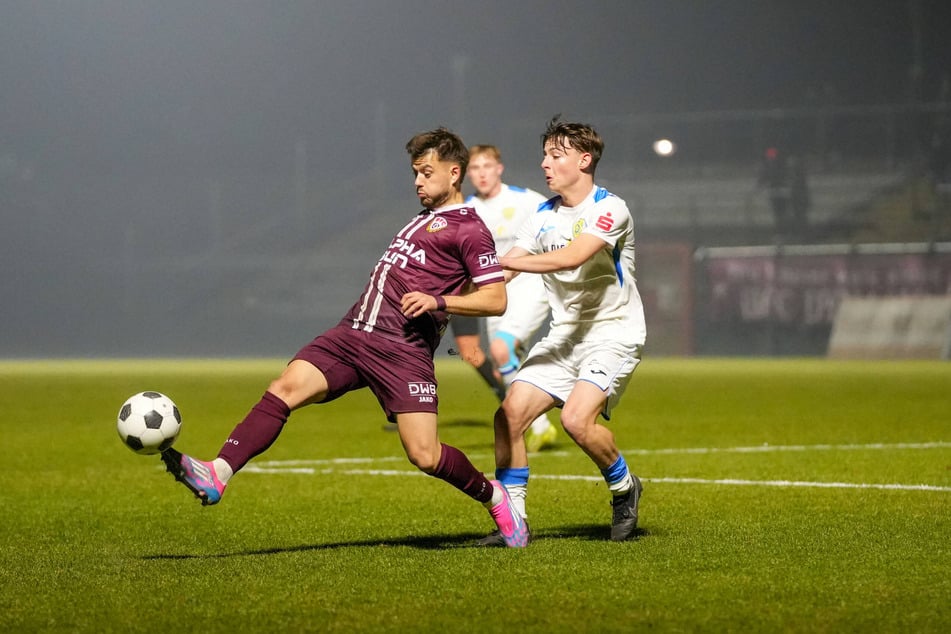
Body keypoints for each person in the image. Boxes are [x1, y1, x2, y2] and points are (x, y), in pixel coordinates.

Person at [161, 127, 529, 548]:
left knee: (425, 455)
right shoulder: (422, 220)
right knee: (285, 388)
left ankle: (494, 496)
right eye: (414, 173)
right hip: (352, 334)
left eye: (427, 172)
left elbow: (495, 298)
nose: (418, 181)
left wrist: (438, 301)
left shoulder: (470, 228)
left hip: (401, 350)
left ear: (454, 172)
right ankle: (218, 474)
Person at [478, 117, 646, 546]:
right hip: (565, 337)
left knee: (575, 420)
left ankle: (624, 488)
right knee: (508, 416)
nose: (545, 164)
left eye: (556, 155)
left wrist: (506, 263)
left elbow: (570, 258)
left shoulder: (611, 208)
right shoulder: (542, 216)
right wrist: (447, 297)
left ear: (584, 160)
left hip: (614, 334)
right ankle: (514, 520)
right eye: (546, 155)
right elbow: (504, 270)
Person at [459, 144, 558, 452]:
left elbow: (557, 226)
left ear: (499, 168)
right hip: (495, 291)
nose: (481, 174)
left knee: (501, 350)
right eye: (475, 169)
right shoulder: (467, 211)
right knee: (498, 357)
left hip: (530, 283)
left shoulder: (526, 200)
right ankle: (538, 422)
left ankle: (533, 423)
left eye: (486, 166)